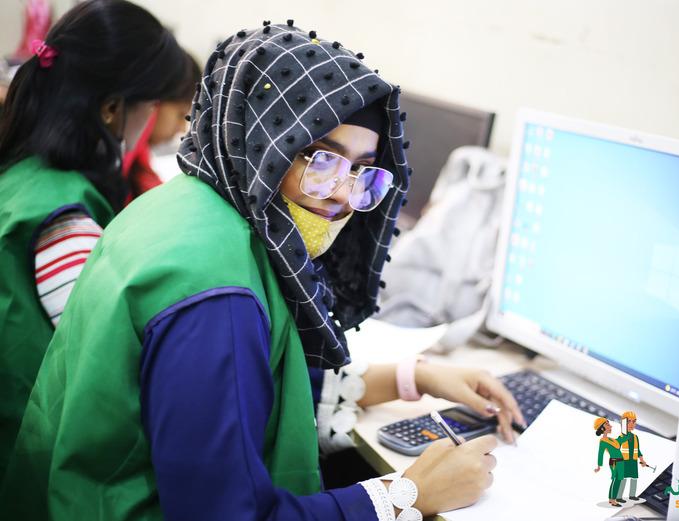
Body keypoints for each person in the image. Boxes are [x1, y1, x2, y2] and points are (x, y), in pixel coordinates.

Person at [0, 22, 524, 521]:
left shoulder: (194, 206)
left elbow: (243, 383)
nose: (343, 196)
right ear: (264, 145)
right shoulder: (217, 294)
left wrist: (415, 376)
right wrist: (407, 494)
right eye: (321, 161)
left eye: (362, 174)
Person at [0, 0, 187, 479]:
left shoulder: (22, 177)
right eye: (153, 107)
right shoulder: (65, 220)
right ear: (110, 109)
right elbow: (108, 371)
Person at [122, 52, 202, 201]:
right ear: (155, 102)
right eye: (181, 114)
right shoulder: (123, 164)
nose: (182, 129)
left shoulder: (136, 165)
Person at [594, 417, 624, 507]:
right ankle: (612, 499)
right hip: (615, 462)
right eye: (607, 424)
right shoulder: (603, 441)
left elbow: (620, 441)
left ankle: (612, 498)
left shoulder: (612, 440)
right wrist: (599, 466)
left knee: (619, 480)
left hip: (621, 462)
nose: (610, 426)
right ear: (602, 428)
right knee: (615, 480)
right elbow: (600, 454)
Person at [617, 410, 647, 501]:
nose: (631, 424)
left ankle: (632, 495)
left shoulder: (635, 437)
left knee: (634, 478)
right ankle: (618, 497)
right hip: (624, 461)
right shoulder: (621, 437)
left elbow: (637, 450)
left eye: (633, 421)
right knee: (623, 479)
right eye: (628, 421)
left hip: (633, 461)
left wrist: (642, 460)